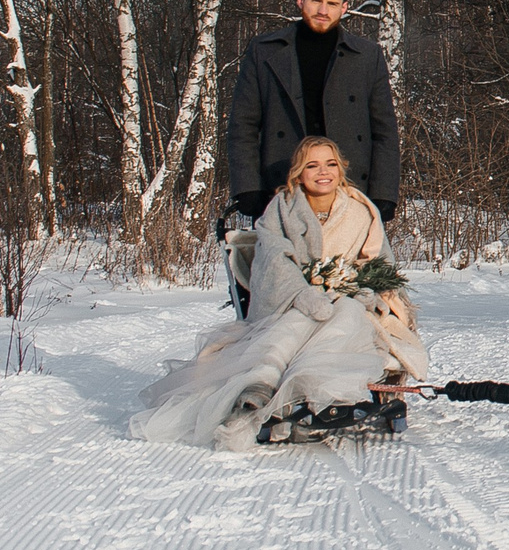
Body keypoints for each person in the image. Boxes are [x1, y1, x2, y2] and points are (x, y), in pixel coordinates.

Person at [134, 135, 430, 449]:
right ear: (299, 173)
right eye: (312, 165)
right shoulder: (282, 207)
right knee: (299, 321)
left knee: (344, 313)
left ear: (341, 169)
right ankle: (260, 383)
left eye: (330, 164)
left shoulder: (361, 210)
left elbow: (379, 262)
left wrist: (363, 289)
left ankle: (316, 389)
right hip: (294, 299)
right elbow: (274, 258)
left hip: (350, 297)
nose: (323, 172)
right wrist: (301, 293)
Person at [223, 0, 398, 316]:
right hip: (281, 191)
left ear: (345, 8)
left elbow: (384, 131)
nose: (323, 10)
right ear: (300, 0)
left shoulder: (367, 56)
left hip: (349, 193)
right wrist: (248, 187)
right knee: (281, 291)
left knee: (354, 292)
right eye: (316, 0)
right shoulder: (265, 51)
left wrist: (383, 193)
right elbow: (243, 125)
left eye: (332, 3)